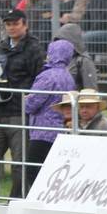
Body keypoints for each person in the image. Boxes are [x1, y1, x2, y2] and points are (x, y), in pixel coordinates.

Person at [0, 9, 44, 202]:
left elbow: (40, 79)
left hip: (19, 113)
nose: (11, 27)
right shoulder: (1, 47)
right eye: (8, 24)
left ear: (25, 24)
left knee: (20, 165)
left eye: (15, 23)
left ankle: (16, 204)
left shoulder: (35, 49)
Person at [22, 39, 76, 194]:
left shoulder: (47, 76)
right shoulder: (68, 77)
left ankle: (37, 201)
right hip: (60, 129)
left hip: (42, 131)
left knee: (33, 170)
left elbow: (31, 104)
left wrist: (26, 100)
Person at [52, 23, 98, 90]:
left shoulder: (83, 61)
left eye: (64, 42)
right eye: (58, 41)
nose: (61, 44)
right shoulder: (53, 60)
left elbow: (90, 89)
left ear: (73, 42)